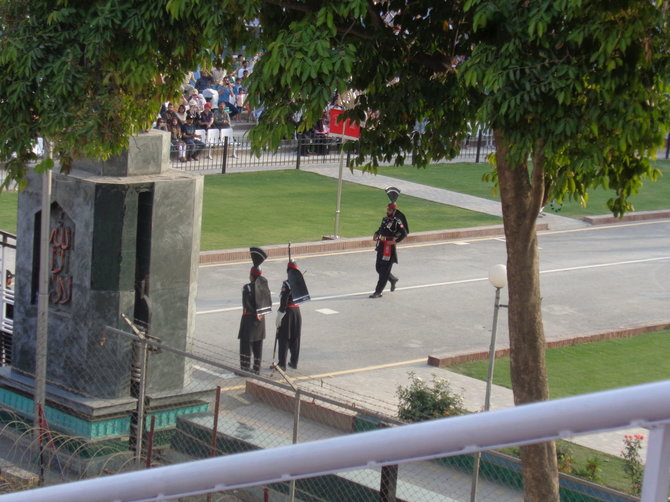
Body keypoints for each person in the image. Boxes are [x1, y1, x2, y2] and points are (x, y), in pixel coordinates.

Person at [238, 248, 271, 374]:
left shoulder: (247, 288)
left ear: (252, 276)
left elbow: (246, 304)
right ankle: (256, 368)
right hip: (261, 320)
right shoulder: (264, 286)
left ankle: (245, 368)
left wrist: (254, 313)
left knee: (246, 346)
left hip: (249, 320)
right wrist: (260, 314)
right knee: (258, 346)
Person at [275, 260, 310, 370]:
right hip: (297, 312)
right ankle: (294, 362)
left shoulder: (286, 283)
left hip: (288, 312)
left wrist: (280, 316)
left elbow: (284, 301)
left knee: (284, 338)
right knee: (295, 338)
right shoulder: (299, 282)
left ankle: (282, 364)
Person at [370, 201, 408, 298]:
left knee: (384, 269)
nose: (388, 211)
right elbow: (381, 229)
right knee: (378, 267)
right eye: (388, 209)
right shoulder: (385, 219)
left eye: (390, 210)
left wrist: (395, 241)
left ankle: (378, 291)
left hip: (389, 247)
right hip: (381, 245)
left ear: (394, 211)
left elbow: (404, 233)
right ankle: (392, 279)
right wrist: (376, 233)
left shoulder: (397, 221)